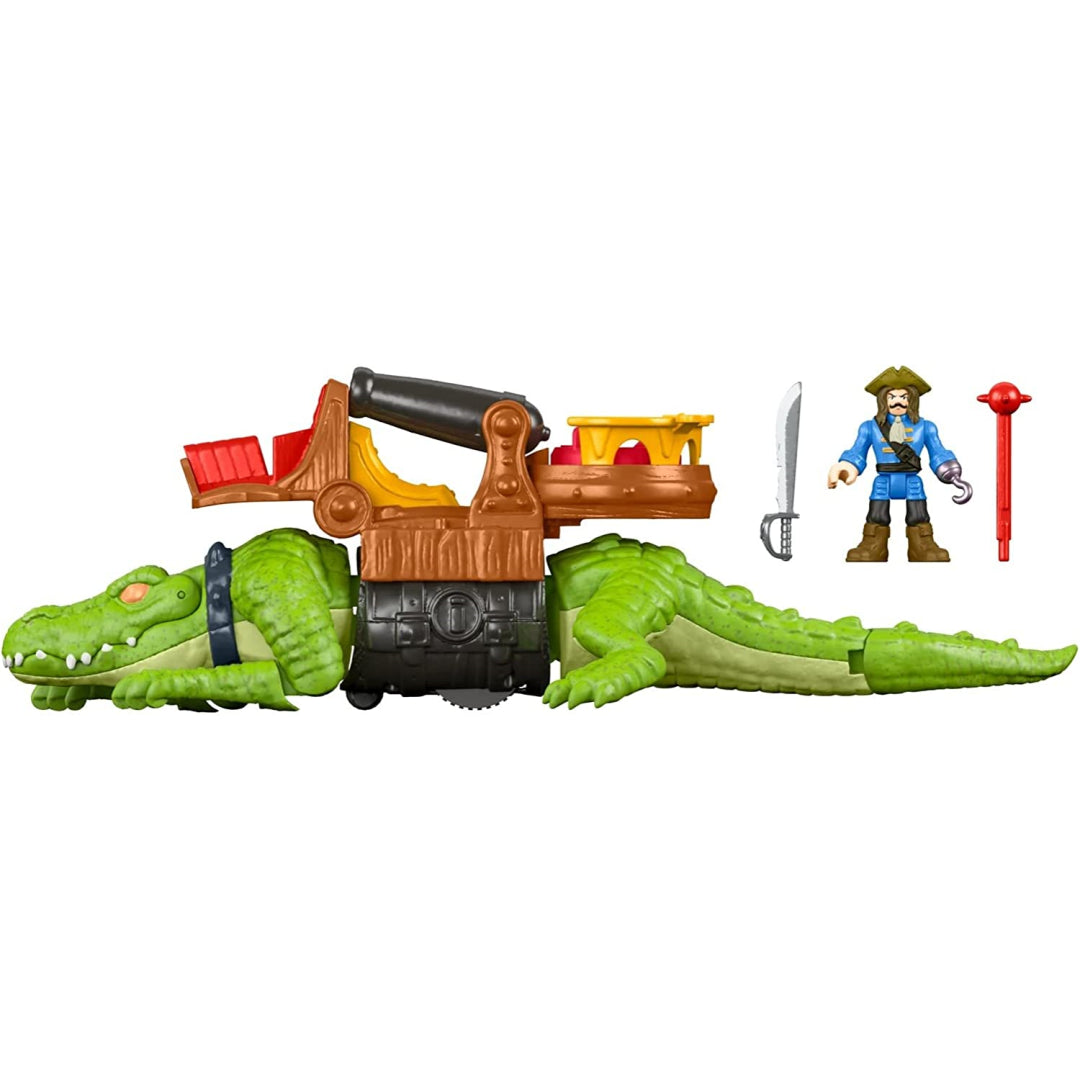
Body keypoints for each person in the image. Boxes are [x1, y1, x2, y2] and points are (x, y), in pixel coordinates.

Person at [828, 366, 971, 562]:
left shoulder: (925, 427)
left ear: (912, 400)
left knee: (918, 514)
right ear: (883, 400)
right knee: (877, 514)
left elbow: (938, 451)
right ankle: (873, 544)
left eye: (904, 397)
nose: (898, 402)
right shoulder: (870, 427)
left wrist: (951, 473)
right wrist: (846, 466)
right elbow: (857, 451)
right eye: (891, 397)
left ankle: (922, 545)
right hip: (883, 479)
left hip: (912, 479)